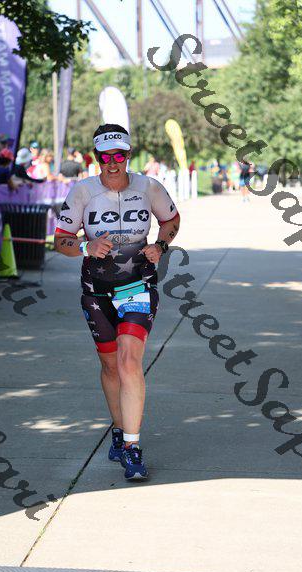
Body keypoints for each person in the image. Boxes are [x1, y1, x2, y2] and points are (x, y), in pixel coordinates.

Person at [54, 124, 180, 481]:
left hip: (138, 286)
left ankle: (132, 447)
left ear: (128, 155)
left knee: (128, 362)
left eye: (119, 156)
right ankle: (119, 428)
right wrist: (85, 245)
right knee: (110, 366)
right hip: (96, 290)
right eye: (105, 157)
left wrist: (161, 245)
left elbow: (171, 219)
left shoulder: (149, 187)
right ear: (97, 158)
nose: (112, 163)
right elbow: (60, 240)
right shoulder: (83, 191)